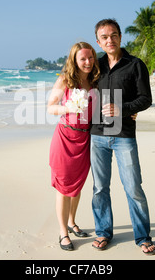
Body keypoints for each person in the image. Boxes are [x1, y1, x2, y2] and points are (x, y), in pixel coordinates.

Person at [90, 18, 155, 255]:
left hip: (124, 136)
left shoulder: (135, 64)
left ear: (120, 36)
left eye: (114, 35)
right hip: (97, 135)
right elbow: (75, 85)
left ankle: (142, 236)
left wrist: (124, 109)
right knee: (100, 188)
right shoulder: (95, 66)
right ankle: (103, 232)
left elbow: (145, 98)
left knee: (133, 188)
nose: (110, 40)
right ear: (98, 41)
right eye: (105, 37)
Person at [47, 42, 100, 251]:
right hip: (64, 138)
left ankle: (72, 222)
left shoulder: (96, 82)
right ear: (74, 61)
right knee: (63, 187)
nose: (87, 62)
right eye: (82, 59)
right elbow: (50, 108)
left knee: (76, 187)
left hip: (85, 139)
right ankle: (63, 232)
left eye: (90, 58)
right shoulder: (65, 80)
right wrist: (66, 107)